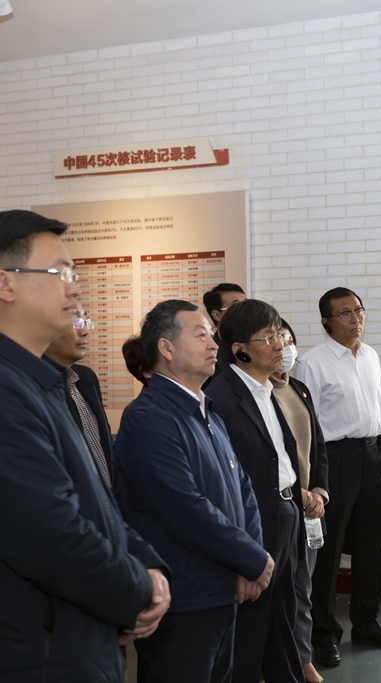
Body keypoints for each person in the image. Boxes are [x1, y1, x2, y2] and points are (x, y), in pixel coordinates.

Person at [0, 209, 170, 680]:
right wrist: (139, 589)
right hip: (43, 655)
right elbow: (49, 535)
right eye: (59, 273)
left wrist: (150, 566)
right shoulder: (8, 391)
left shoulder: (43, 383)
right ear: (5, 284)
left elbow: (97, 502)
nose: (75, 289)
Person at [114, 299, 273, 683]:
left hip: (222, 589)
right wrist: (252, 558)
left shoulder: (206, 410)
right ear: (166, 348)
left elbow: (243, 487)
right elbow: (184, 508)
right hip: (185, 598)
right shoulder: (149, 417)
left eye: (211, 335)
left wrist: (250, 558)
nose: (213, 344)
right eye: (200, 335)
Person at [293, 287, 381, 667]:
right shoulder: (313, 363)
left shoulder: (370, 355)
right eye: (344, 313)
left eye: (358, 310)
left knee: (371, 544)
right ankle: (323, 635)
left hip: (374, 456)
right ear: (326, 321)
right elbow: (307, 425)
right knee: (328, 550)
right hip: (335, 459)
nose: (355, 318)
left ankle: (367, 624)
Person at [206, 300, 309, 683]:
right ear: (240, 350)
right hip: (255, 522)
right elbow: (223, 481)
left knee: (282, 617)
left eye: (279, 333)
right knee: (250, 628)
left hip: (285, 512)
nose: (280, 344)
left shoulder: (268, 389)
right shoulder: (221, 399)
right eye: (268, 338)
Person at [272, 319, 330, 683]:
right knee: (278, 592)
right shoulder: (259, 394)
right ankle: (277, 662)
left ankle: (303, 658)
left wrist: (320, 491)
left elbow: (317, 448)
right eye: (277, 338)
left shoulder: (300, 389)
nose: (285, 346)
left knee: (302, 589)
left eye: (288, 338)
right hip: (281, 504)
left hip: (309, 507)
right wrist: (298, 492)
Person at [43, 309, 114, 488]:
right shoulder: (34, 386)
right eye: (76, 322)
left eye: (86, 322)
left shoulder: (86, 378)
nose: (85, 331)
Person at [204, 282, 247, 382]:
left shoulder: (256, 344)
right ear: (217, 315)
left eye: (246, 304)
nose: (245, 311)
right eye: (237, 306)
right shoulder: (206, 354)